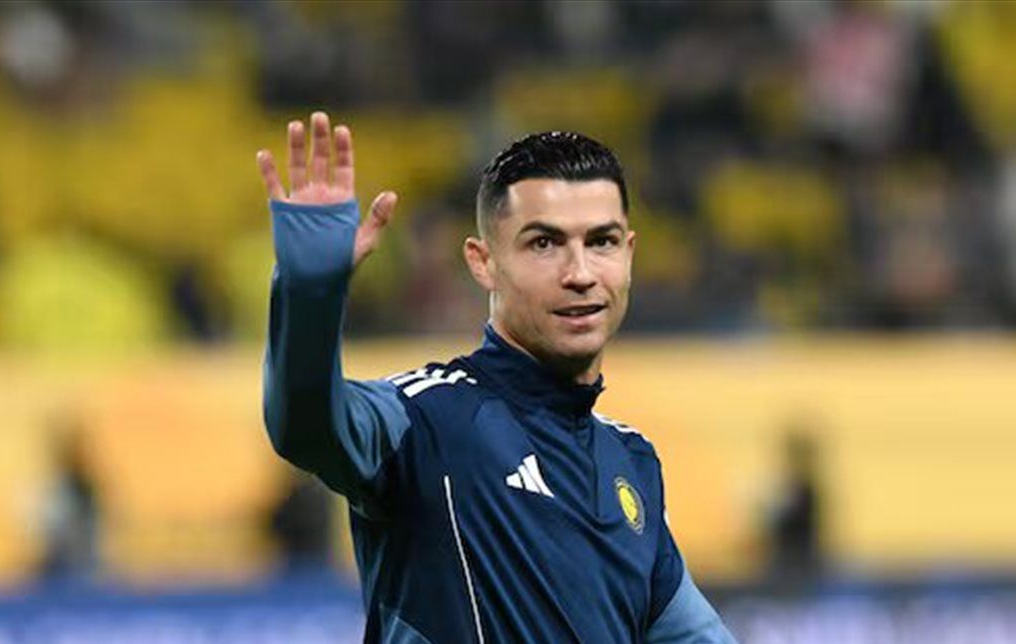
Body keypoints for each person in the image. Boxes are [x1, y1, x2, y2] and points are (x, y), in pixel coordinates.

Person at [255, 112, 736, 642]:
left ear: (629, 255)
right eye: (544, 244)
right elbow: (304, 427)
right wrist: (309, 292)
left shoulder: (632, 462)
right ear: (483, 262)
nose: (580, 274)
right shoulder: (427, 419)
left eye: (602, 242)